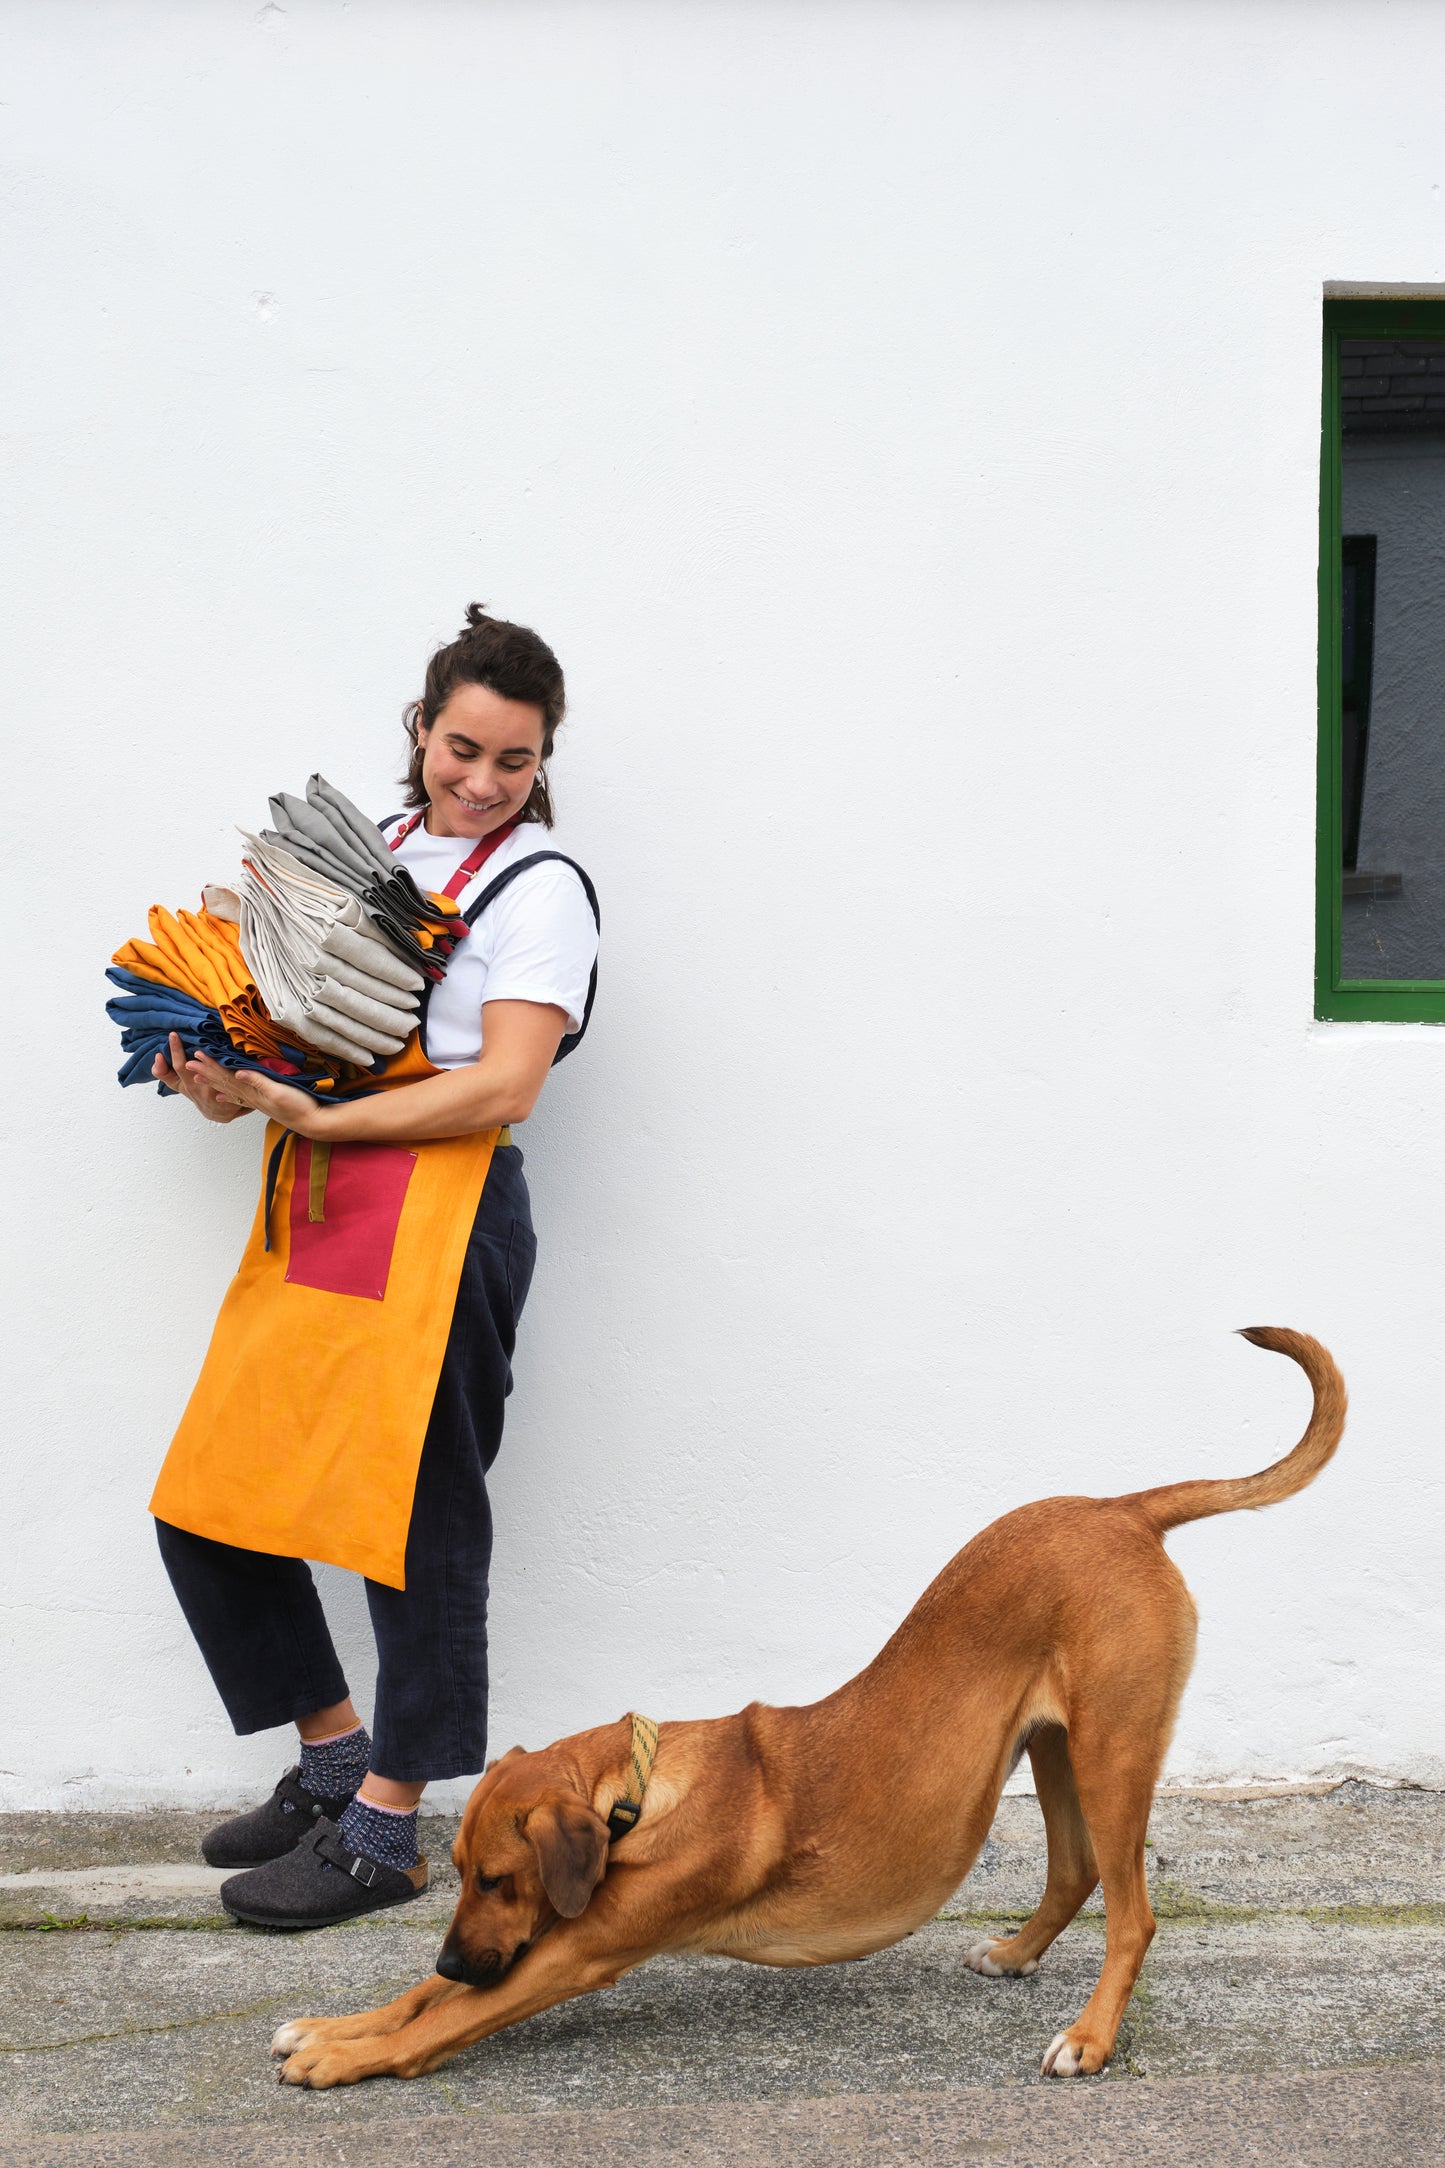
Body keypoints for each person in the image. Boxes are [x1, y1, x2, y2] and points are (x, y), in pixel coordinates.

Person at [148, 604, 599, 1929]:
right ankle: (332, 1756)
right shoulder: (370, 853)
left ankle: (388, 1828)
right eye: (462, 747)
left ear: (539, 763)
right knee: (210, 1498)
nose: (479, 780)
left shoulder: (542, 888)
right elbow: (289, 1044)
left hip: (447, 1217)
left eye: (512, 762)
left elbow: (501, 1083)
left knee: (418, 1524)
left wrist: (322, 1117)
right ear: (421, 728)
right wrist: (227, 1088)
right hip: (325, 1200)